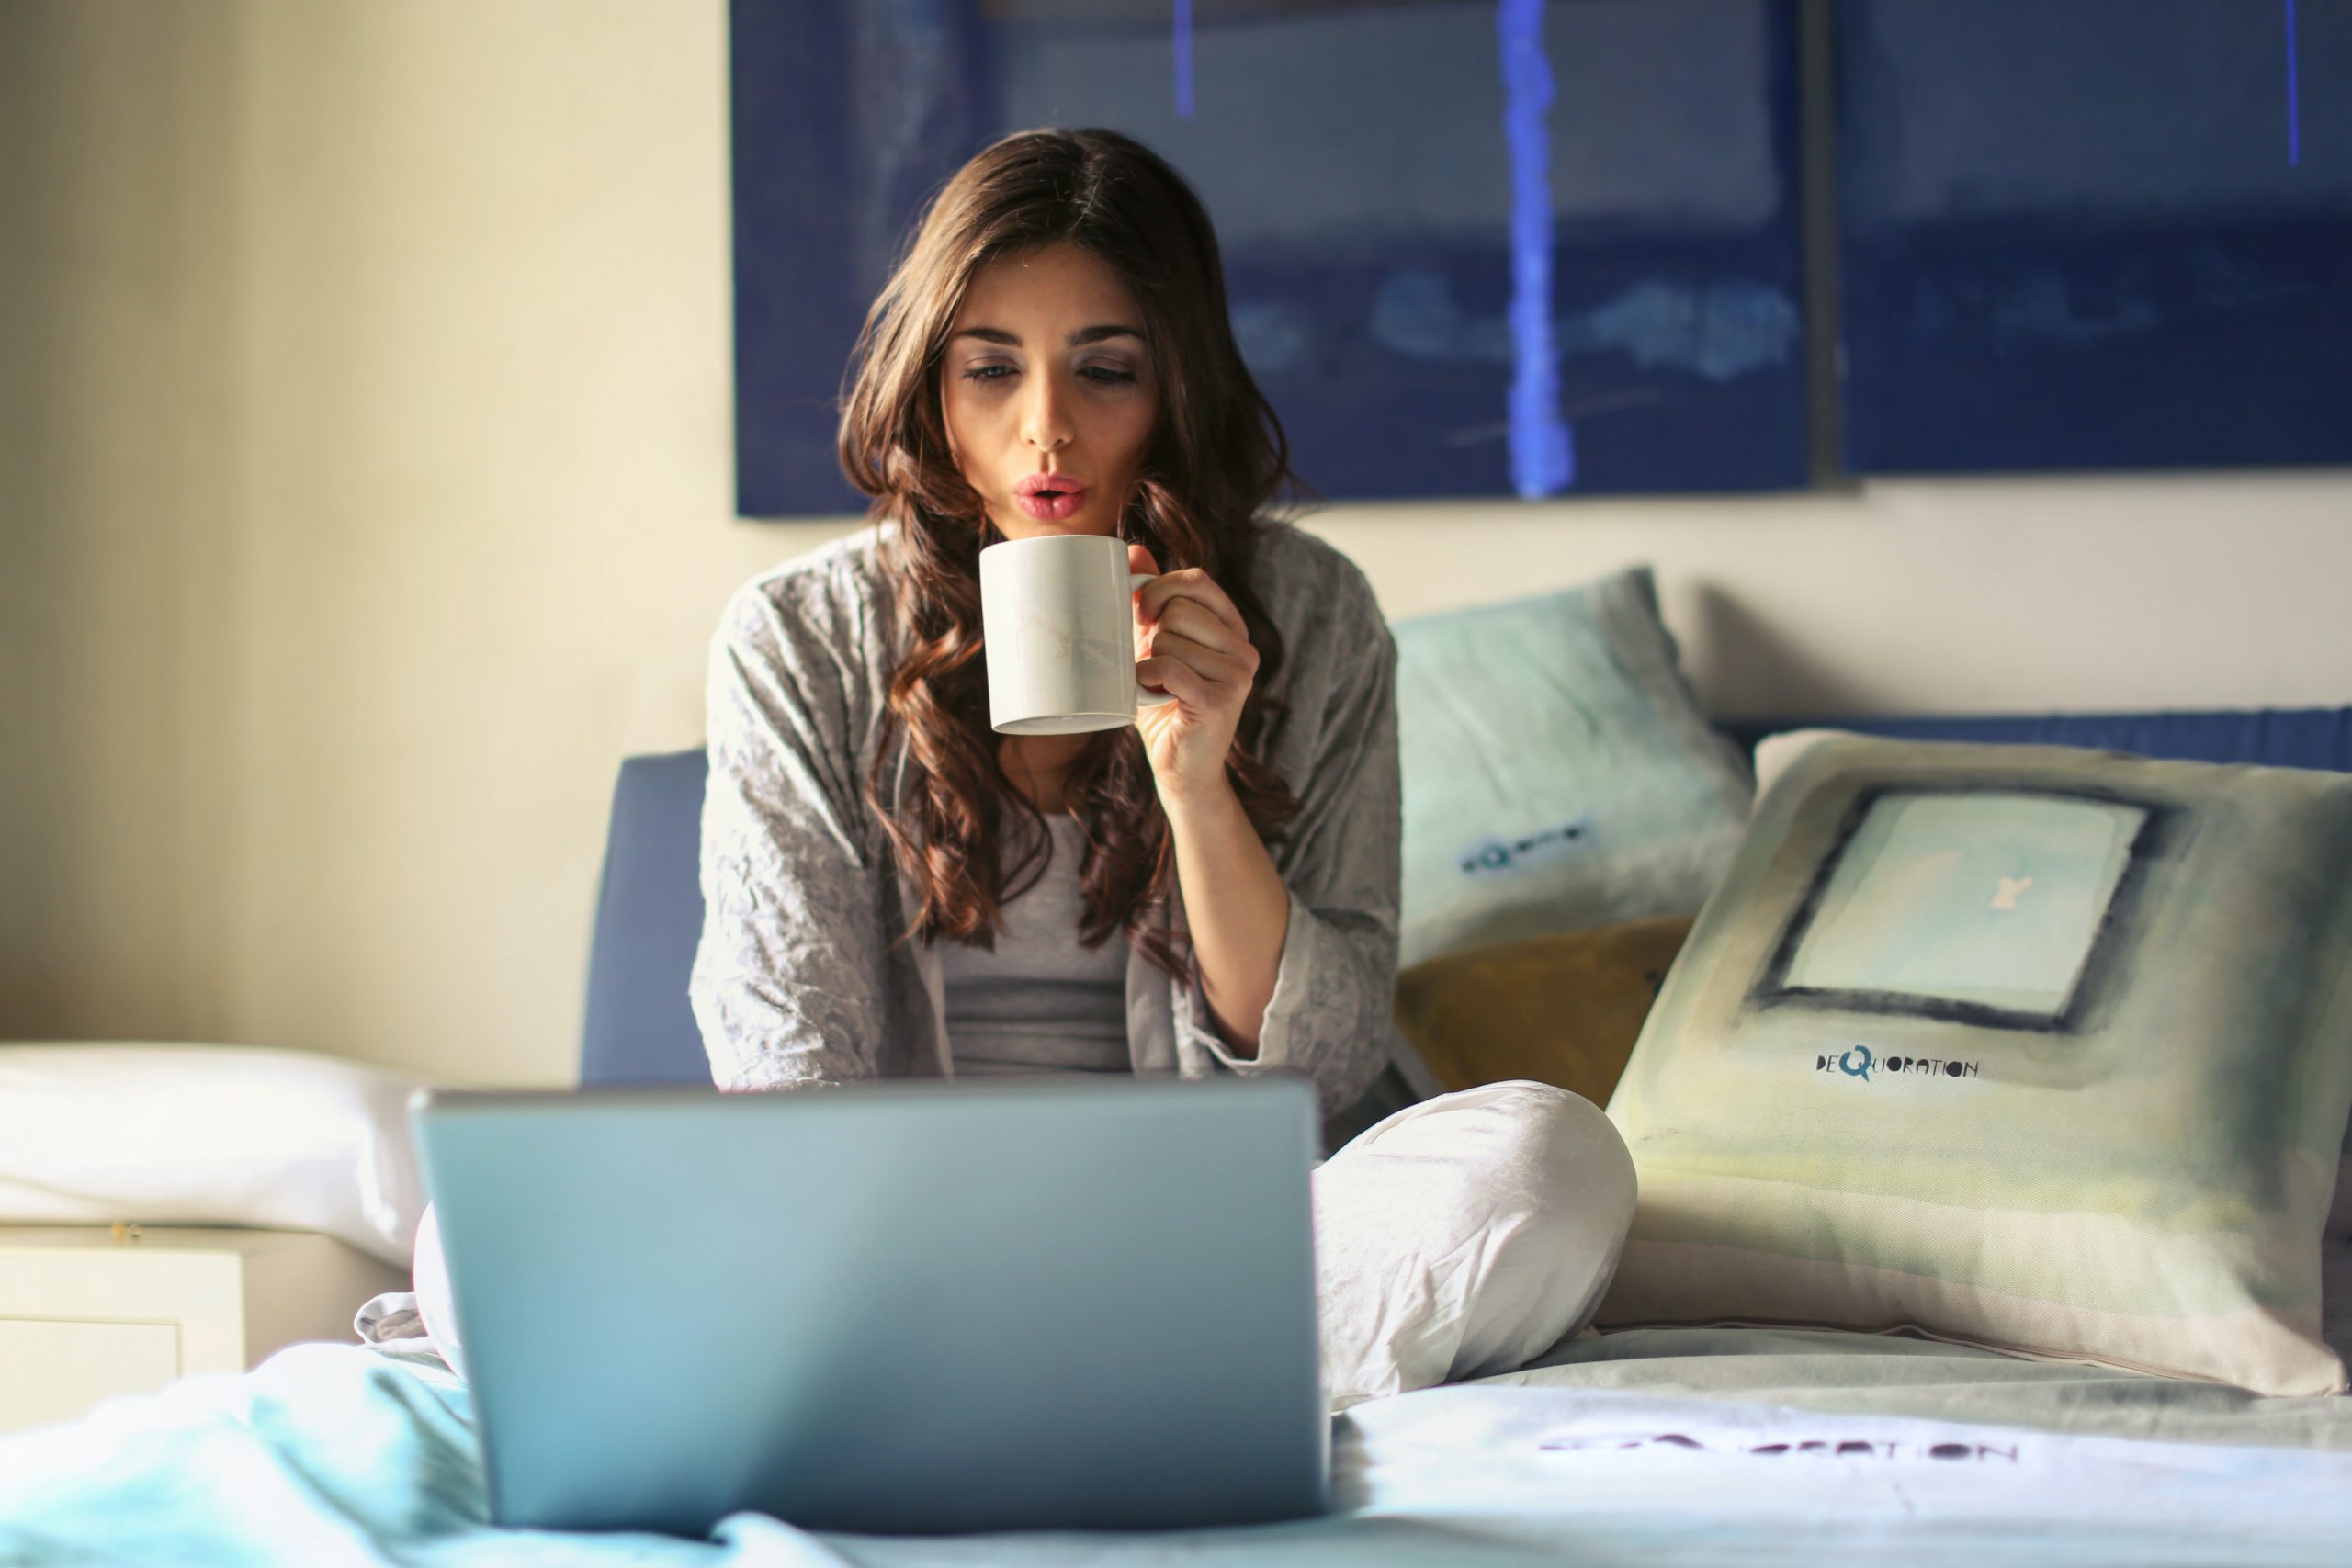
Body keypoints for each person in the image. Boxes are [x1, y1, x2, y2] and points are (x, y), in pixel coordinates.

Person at [416, 127, 1634, 1413]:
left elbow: (1321, 1066)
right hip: (891, 1242)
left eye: (1105, 371)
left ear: (1180, 387)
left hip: (1217, 1241)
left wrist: (1199, 779)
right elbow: (785, 1055)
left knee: (1553, 1165)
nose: (1045, 429)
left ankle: (960, 1382)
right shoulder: (801, 640)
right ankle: (1116, 1379)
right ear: (930, 388)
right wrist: (879, 1246)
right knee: (472, 1244)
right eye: (991, 370)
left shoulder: (1314, 620)